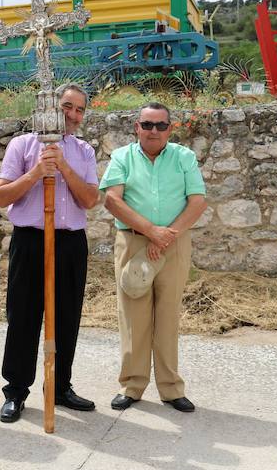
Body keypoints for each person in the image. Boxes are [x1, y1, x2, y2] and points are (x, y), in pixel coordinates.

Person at [0, 84, 100, 423]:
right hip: (31, 239)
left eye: (79, 109)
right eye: (66, 106)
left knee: (67, 317)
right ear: (50, 107)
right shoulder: (22, 145)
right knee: (23, 315)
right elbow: (1, 196)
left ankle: (60, 386)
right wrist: (38, 171)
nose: (72, 114)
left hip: (70, 243)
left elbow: (90, 200)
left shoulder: (84, 151)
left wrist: (64, 168)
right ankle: (16, 390)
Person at [99, 102, 207, 413]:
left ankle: (171, 389)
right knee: (133, 317)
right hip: (133, 243)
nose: (153, 131)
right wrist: (150, 231)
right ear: (137, 127)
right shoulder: (122, 157)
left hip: (174, 245)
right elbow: (112, 200)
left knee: (168, 315)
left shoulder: (183, 157)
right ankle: (132, 386)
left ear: (170, 129)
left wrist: (167, 234)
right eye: (147, 125)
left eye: (160, 125)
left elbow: (197, 201)